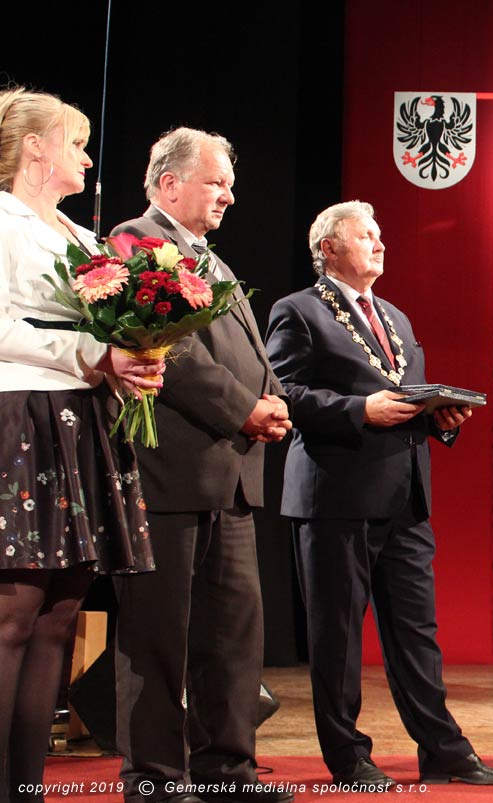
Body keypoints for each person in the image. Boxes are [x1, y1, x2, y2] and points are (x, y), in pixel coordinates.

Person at [265, 201, 493, 789]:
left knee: (416, 633)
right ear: (329, 248)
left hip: (405, 497)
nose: (380, 244)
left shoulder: (395, 317)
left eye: (380, 235)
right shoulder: (297, 311)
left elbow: (408, 398)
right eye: (365, 236)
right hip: (335, 497)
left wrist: (441, 417)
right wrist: (360, 410)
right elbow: (282, 390)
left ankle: (444, 751)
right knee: (338, 637)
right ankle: (348, 758)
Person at [110, 128, 293, 803]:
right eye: (216, 182)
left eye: (229, 185)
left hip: (231, 475)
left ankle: (227, 772)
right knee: (160, 637)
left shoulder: (207, 257)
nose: (229, 196)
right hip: (170, 473)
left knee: (233, 636)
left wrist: (273, 400)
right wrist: (246, 408)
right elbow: (168, 350)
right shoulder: (135, 241)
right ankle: (155, 778)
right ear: (170, 184)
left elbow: (246, 352)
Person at [0, 88, 162, 803]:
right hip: (24, 416)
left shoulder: (80, 237)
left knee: (61, 615)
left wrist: (136, 359)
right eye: (75, 142)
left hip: (81, 418)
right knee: (13, 613)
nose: (88, 157)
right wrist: (92, 354)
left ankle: (25, 787)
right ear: (34, 146)